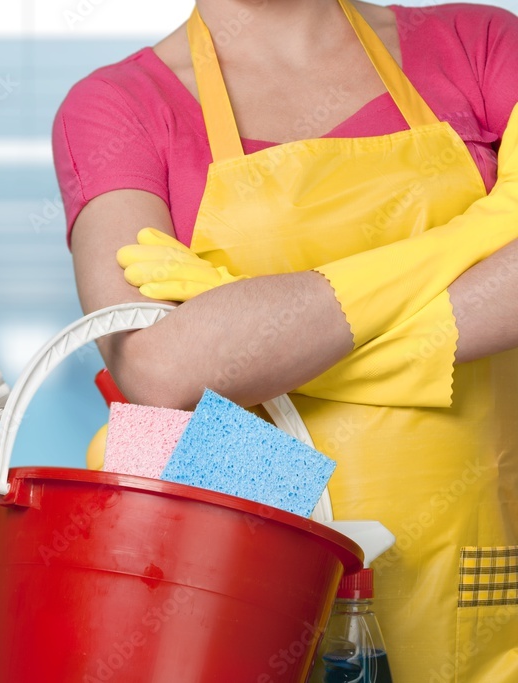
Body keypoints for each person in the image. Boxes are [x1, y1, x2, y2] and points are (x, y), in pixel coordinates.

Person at [52, 1, 518, 681]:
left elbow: (194, 357)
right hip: (252, 605)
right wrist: (478, 238)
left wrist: (247, 323)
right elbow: (157, 370)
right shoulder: (117, 106)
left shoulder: (479, 44)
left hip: (482, 585)